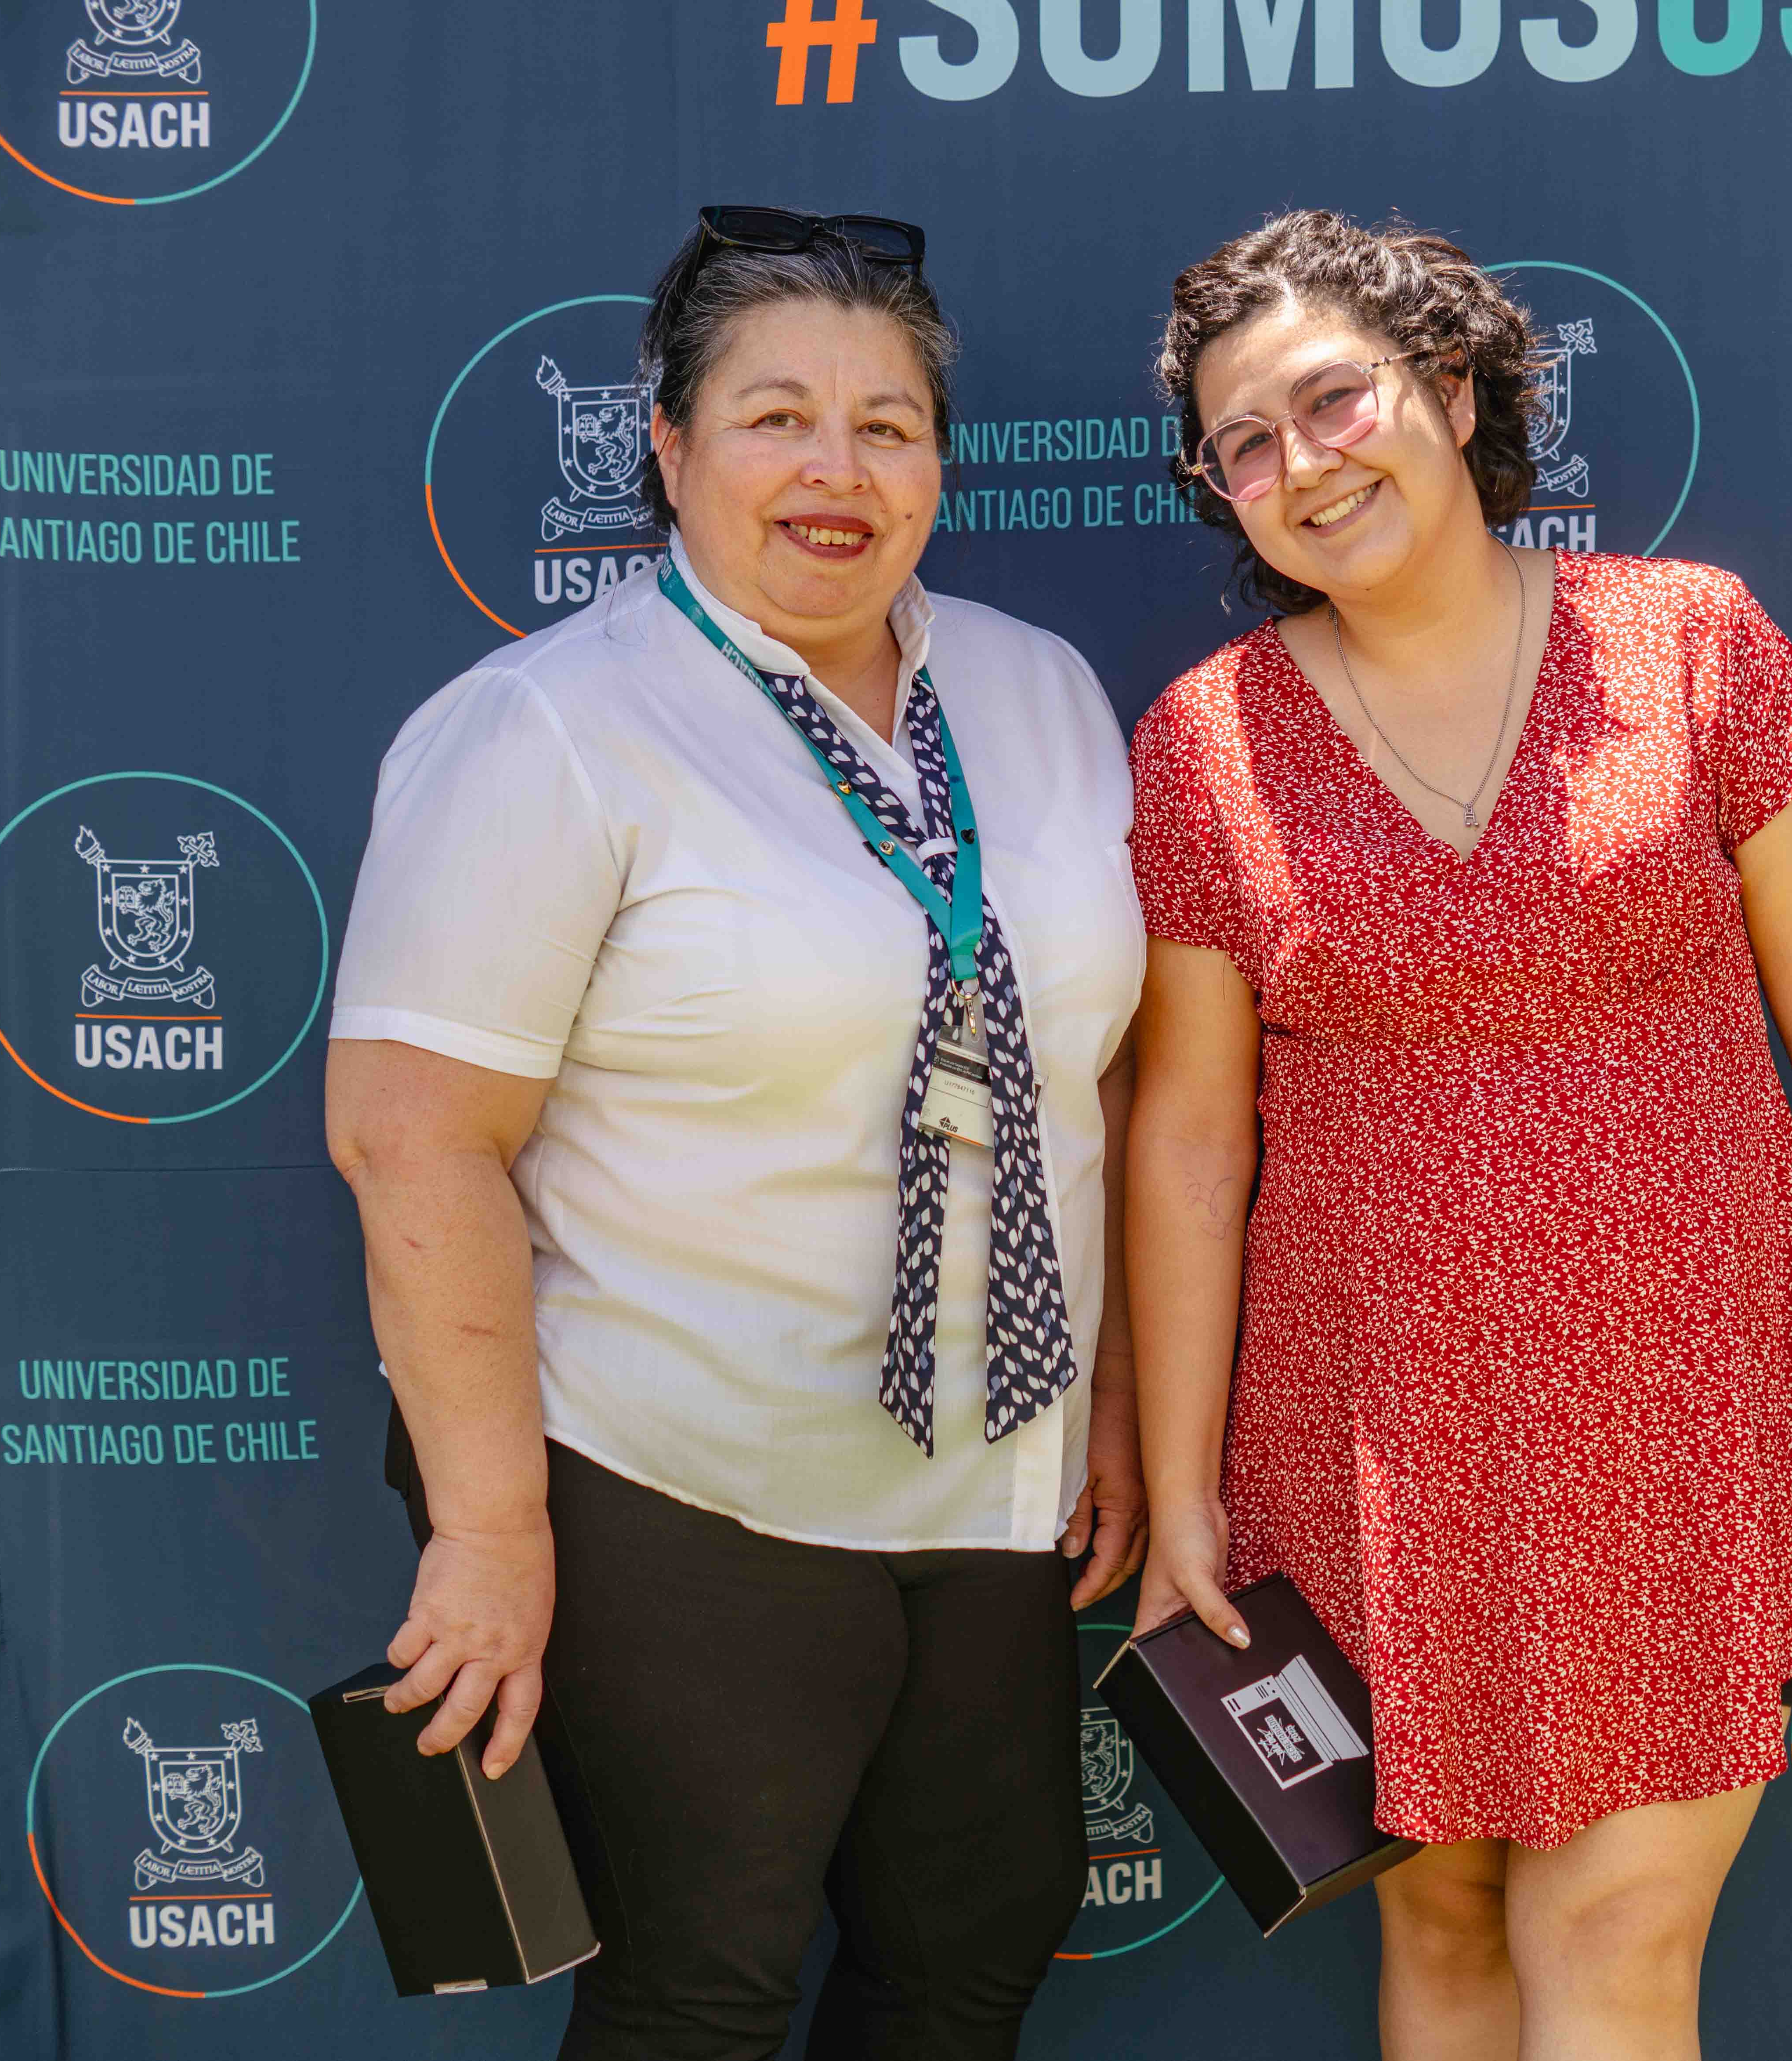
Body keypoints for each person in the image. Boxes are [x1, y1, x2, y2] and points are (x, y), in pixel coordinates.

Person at [323, 207, 1148, 2061]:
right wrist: (488, 1530)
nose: (835, 469)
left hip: (994, 1478)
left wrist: (1108, 1391)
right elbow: (412, 1138)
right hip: (677, 1476)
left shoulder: (1037, 690)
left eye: (888, 424)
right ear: (671, 446)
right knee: (700, 1986)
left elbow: (1085, 1062)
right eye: (778, 418)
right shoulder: (549, 729)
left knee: (969, 1959)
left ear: (939, 463)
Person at [1124, 210, 1792, 2061]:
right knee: (1442, 1926)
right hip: (1368, 1437)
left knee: (1617, 1930)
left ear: (1455, 388)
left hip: (1677, 1415)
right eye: (1243, 444)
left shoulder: (1691, 642)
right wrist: (1182, 1489)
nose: (1300, 465)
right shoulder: (1204, 743)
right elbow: (1188, 1138)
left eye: (1332, 401)